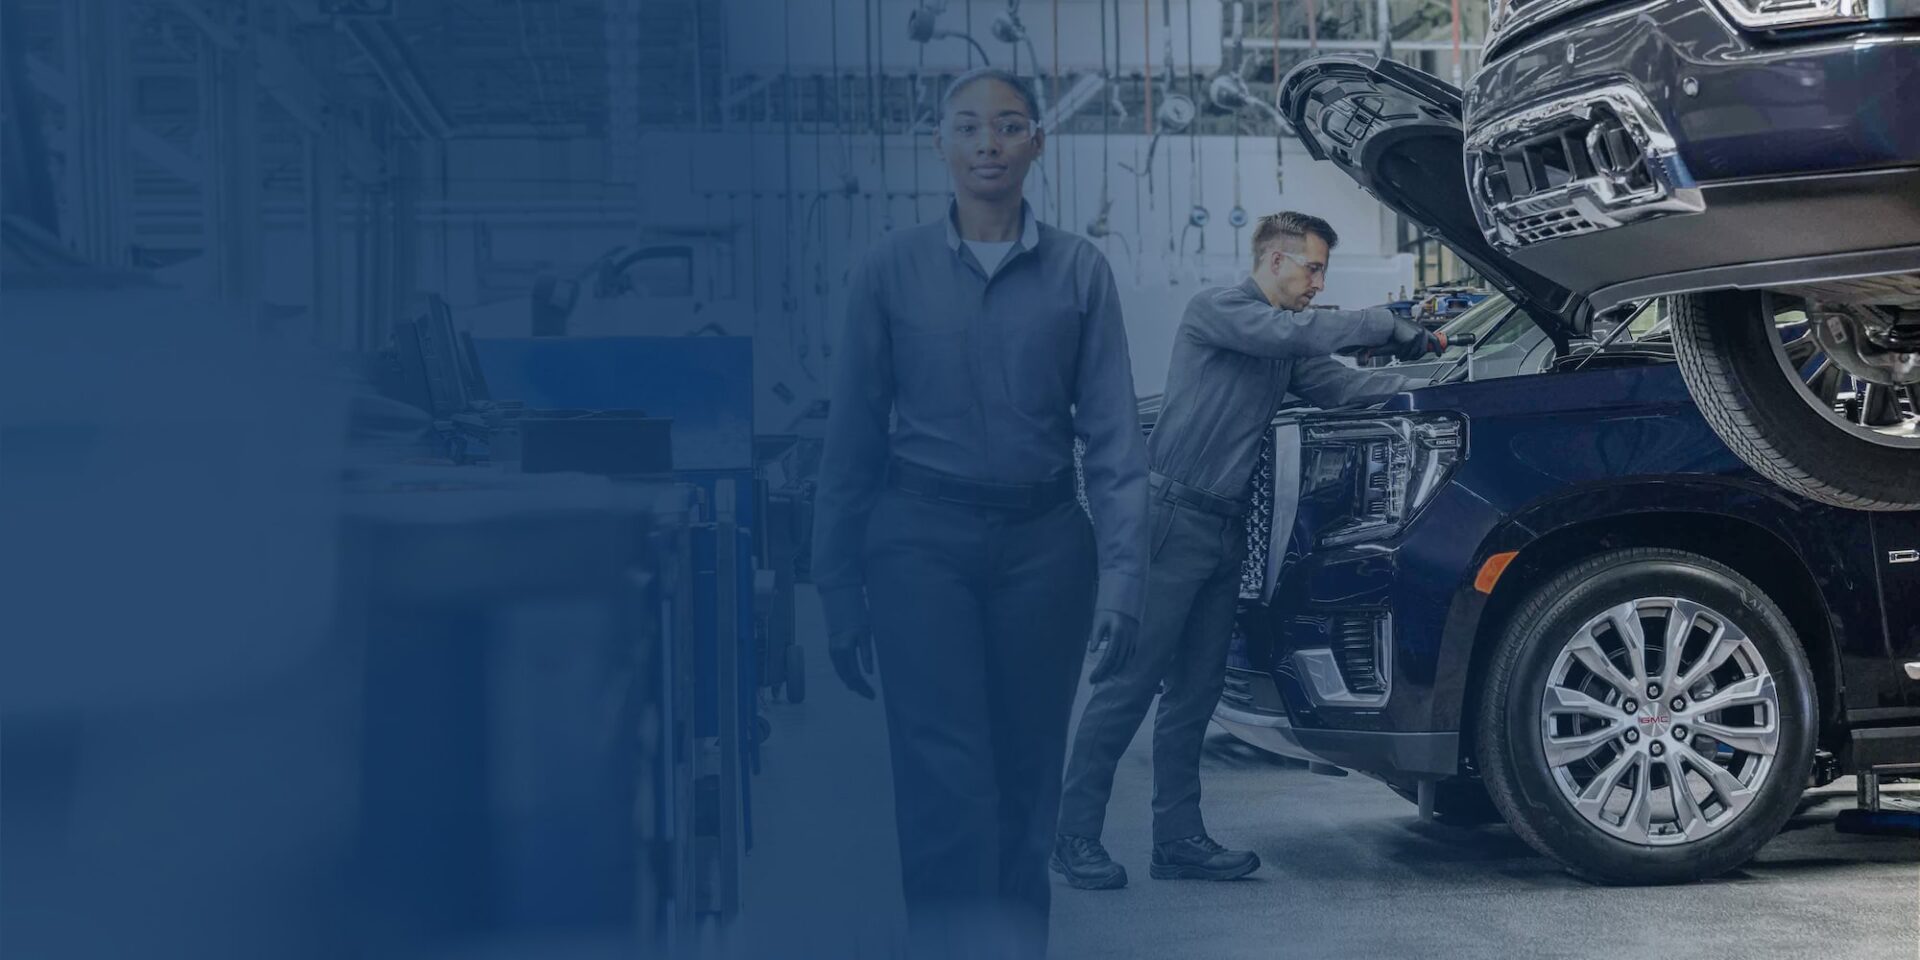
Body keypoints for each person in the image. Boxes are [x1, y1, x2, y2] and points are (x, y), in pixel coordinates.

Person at [810, 67, 1149, 957]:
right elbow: (849, 441)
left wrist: (1123, 579)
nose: (987, 144)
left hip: (1045, 548)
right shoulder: (889, 272)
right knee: (943, 777)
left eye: (1007, 127)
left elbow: (1114, 441)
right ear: (940, 147)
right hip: (919, 543)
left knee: (1025, 775)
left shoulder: (1079, 271)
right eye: (968, 128)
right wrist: (835, 582)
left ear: (1037, 143)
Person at [1051, 212, 1444, 889]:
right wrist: (1383, 321)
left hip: (1224, 531)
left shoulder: (1284, 346)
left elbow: (1344, 387)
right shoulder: (1220, 312)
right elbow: (1294, 331)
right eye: (1312, 269)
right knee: (1129, 685)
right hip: (1170, 521)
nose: (1317, 285)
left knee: (1195, 694)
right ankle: (1074, 836)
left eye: (1322, 272)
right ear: (1273, 260)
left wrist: (1444, 378)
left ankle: (1178, 841)